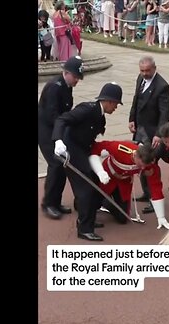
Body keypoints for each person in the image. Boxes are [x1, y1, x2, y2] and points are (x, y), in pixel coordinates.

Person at [52, 82, 124, 241]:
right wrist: (58, 140)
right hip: (70, 151)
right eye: (116, 104)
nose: (116, 108)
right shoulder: (87, 109)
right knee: (86, 189)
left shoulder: (100, 117)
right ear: (109, 101)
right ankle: (84, 228)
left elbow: (90, 139)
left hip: (83, 151)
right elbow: (62, 120)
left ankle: (87, 216)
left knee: (94, 182)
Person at [38, 56, 85, 219]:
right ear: (66, 73)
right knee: (55, 165)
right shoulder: (54, 87)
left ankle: (56, 202)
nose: (77, 81)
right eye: (76, 77)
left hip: (56, 130)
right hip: (46, 130)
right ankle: (48, 203)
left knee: (62, 165)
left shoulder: (66, 85)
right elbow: (53, 114)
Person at [88, 141, 169, 230]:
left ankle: (105, 202)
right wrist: (100, 171)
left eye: (145, 166)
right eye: (140, 165)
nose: (143, 168)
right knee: (93, 203)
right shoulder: (119, 148)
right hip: (107, 177)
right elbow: (95, 148)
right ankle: (91, 202)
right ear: (135, 156)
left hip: (124, 183)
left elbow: (156, 187)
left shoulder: (149, 164)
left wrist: (161, 217)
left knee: (122, 218)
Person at [128, 55, 169, 214]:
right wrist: (131, 118)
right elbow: (136, 100)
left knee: (150, 165)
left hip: (153, 133)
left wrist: (159, 134)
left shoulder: (162, 86)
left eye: (147, 71)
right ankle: (147, 194)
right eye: (142, 71)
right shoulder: (140, 79)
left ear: (154, 68)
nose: (144, 73)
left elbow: (165, 113)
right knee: (141, 162)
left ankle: (155, 198)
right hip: (140, 129)